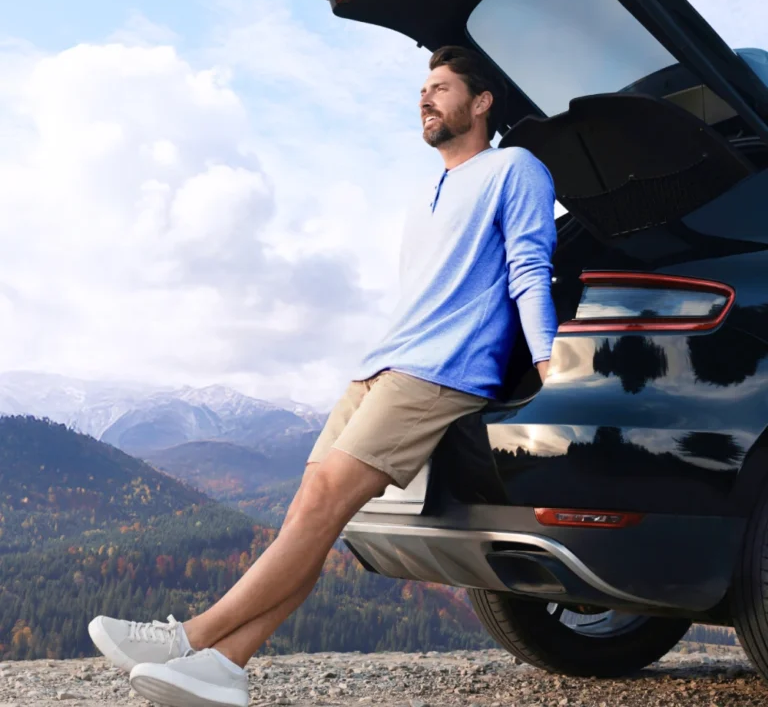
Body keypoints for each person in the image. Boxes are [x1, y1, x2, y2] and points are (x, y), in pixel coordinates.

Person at [87, 45, 559, 707]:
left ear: (481, 103)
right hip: (380, 365)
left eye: (443, 88)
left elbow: (529, 271)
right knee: (308, 518)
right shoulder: (431, 189)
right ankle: (226, 667)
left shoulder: (515, 168)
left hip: (439, 372)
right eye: (423, 89)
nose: (425, 99)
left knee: (317, 506)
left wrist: (548, 367)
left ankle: (189, 638)